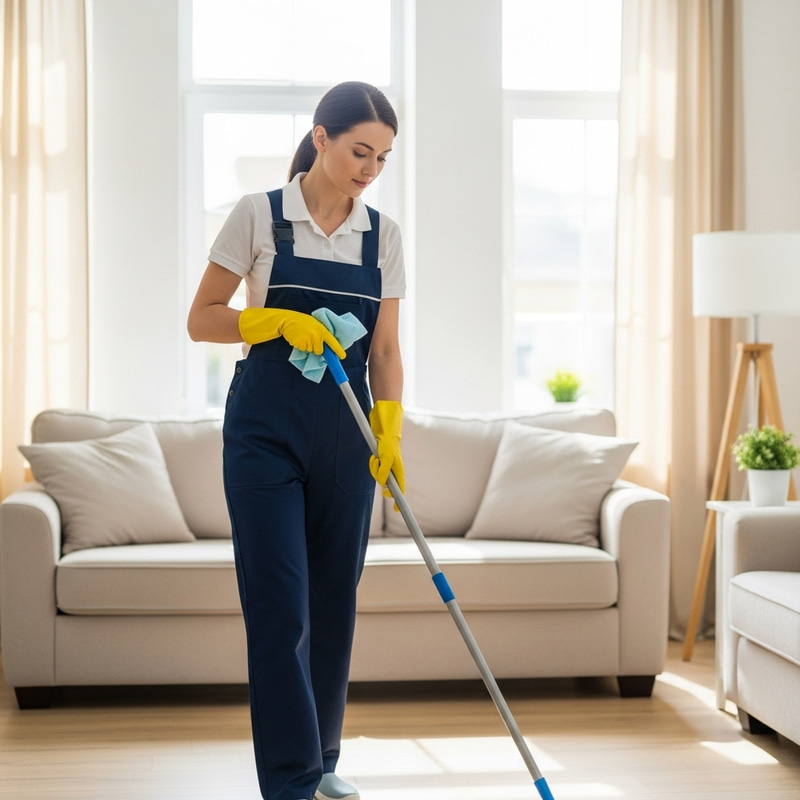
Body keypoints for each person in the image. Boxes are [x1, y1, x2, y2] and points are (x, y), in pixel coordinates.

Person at [187, 81, 405, 800]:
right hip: (265, 431)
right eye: (358, 151)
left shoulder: (384, 236)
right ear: (321, 138)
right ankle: (291, 783)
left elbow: (386, 352)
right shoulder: (259, 215)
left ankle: (325, 765)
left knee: (334, 602)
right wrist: (274, 321)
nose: (369, 169)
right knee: (281, 608)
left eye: (382, 157)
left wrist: (391, 428)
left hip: (347, 436)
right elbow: (203, 319)